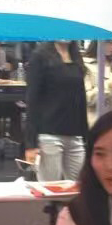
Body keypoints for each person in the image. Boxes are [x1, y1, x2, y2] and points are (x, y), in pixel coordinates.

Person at [24, 41, 87, 181]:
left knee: (79, 187)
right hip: (49, 134)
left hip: (75, 135)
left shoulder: (76, 57)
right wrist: (31, 143)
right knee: (49, 187)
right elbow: (32, 100)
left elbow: (81, 99)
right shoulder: (40, 56)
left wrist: (86, 137)